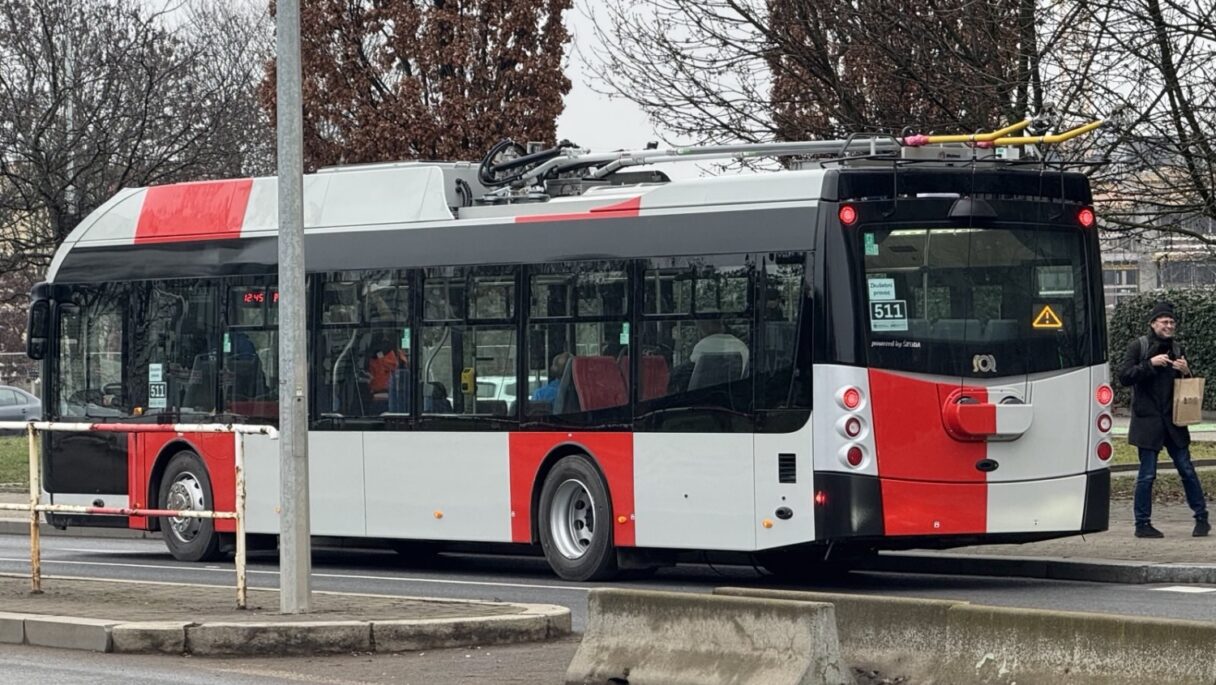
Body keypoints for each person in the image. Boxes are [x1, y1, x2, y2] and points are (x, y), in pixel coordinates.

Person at [1118, 301, 1210, 538]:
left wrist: (1186, 371)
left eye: (1172, 322)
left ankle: (1202, 518)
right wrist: (1150, 364)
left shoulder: (1177, 349)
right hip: (1147, 422)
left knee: (1187, 470)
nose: (1169, 326)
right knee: (1147, 474)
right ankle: (1142, 524)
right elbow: (1125, 376)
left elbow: (1186, 386)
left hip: (1174, 421)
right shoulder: (1139, 346)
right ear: (1153, 323)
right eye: (1164, 322)